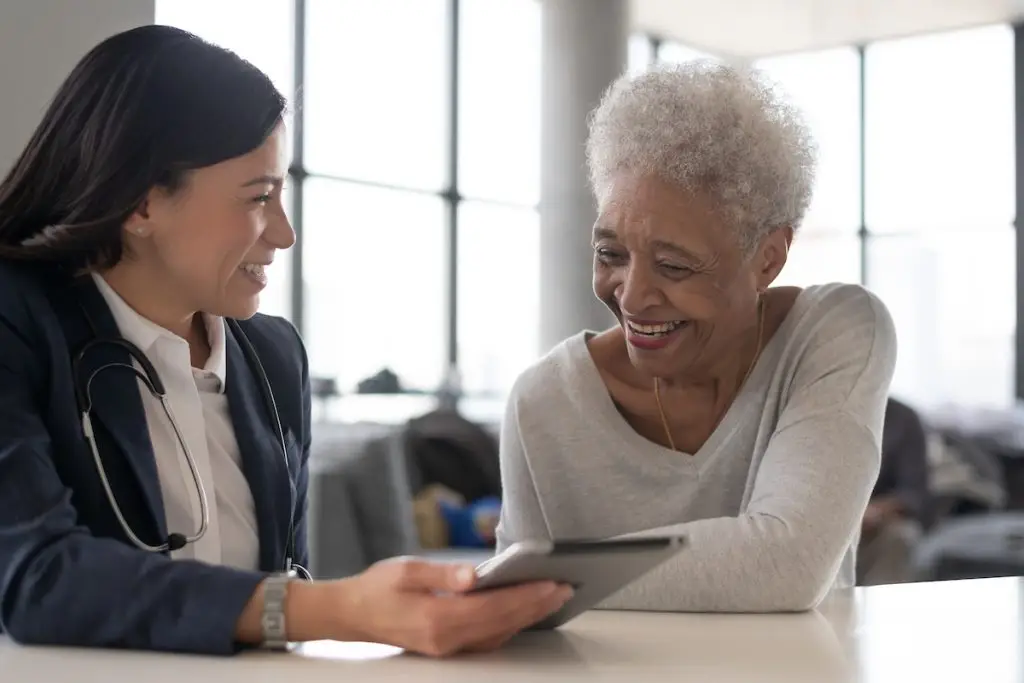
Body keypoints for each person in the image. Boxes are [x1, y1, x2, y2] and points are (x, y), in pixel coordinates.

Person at [0, 25, 571, 657]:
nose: (284, 233)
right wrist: (340, 608)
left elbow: (284, 594)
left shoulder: (272, 357)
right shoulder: (17, 324)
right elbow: (35, 577)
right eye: (259, 196)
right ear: (142, 205)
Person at [496, 61, 897, 612]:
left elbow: (788, 563)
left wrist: (546, 583)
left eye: (674, 266)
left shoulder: (834, 333)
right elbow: (507, 620)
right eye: (611, 254)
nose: (633, 298)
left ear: (768, 258)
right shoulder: (542, 404)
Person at [857, 397, 931, 585]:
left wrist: (874, 511)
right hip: (819, 519)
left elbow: (913, 492)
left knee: (902, 536)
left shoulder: (902, 418)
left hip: (875, 524)